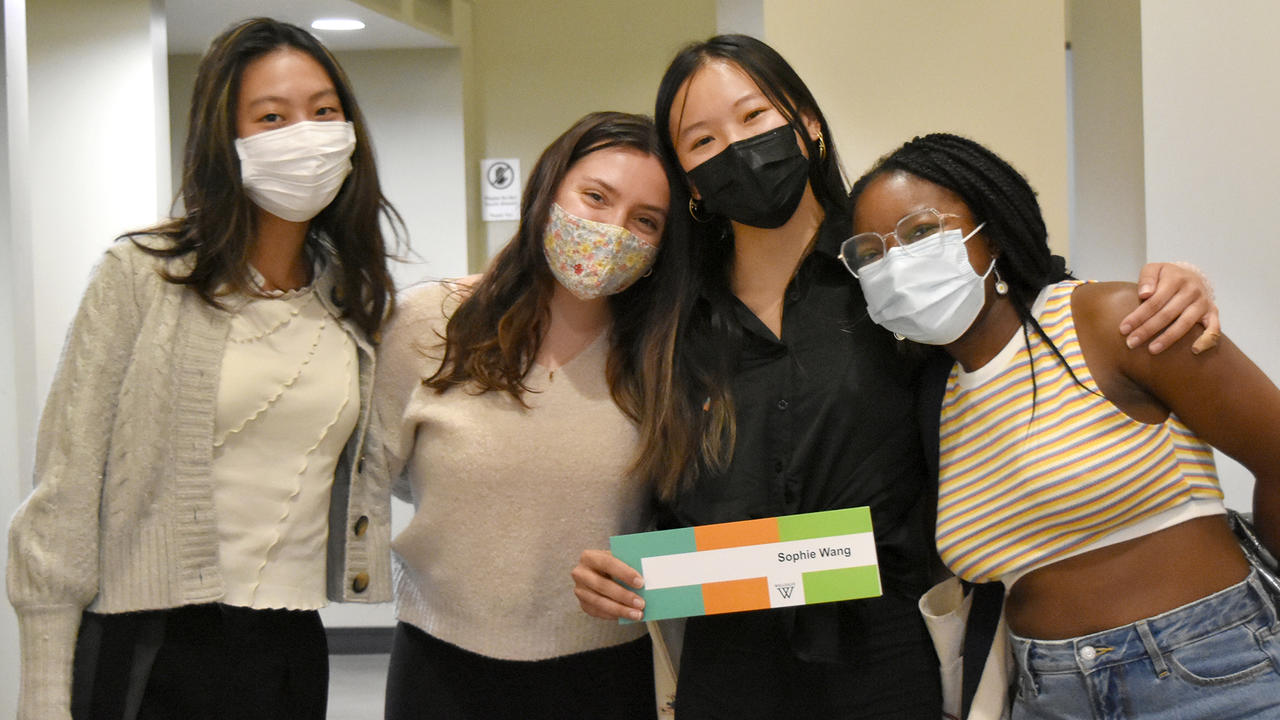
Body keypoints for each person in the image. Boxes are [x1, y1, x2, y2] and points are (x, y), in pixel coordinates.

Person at [571, 34, 1221, 719]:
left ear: (807, 125)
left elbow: (1031, 298)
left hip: (889, 652)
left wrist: (1172, 283)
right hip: (726, 654)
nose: (734, 146)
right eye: (701, 140)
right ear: (689, 181)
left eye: (754, 116)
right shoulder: (666, 316)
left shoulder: (893, 271)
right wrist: (616, 577)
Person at [7, 17, 401, 720]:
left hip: (290, 643)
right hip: (151, 642)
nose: (303, 135)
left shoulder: (352, 300)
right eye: (272, 117)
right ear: (227, 141)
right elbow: (64, 493)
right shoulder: (142, 276)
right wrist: (41, 693)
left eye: (324, 112)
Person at [843, 132, 1280, 719]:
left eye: (922, 233)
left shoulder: (1114, 319)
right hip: (1048, 693)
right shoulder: (932, 398)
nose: (896, 263)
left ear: (992, 230)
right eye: (872, 253)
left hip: (1213, 669)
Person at [373, 111, 701, 720]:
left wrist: (661, 573)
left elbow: (684, 510)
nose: (611, 230)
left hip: (603, 675)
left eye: (645, 221)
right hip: (440, 667)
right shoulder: (430, 322)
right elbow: (378, 473)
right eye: (595, 197)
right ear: (547, 189)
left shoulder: (666, 361)